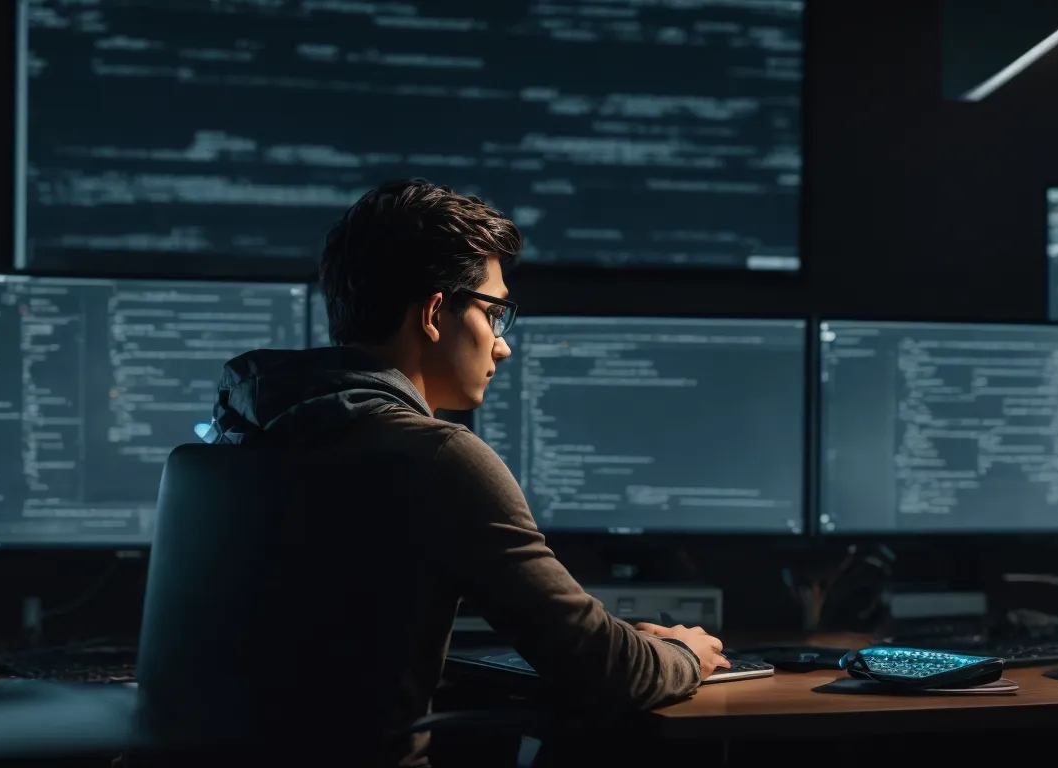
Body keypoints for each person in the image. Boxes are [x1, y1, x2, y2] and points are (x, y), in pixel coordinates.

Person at [207, 178, 728, 761]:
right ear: (434, 312)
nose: (502, 346)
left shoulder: (240, 437)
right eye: (494, 311)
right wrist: (684, 654)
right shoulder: (435, 457)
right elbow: (605, 670)